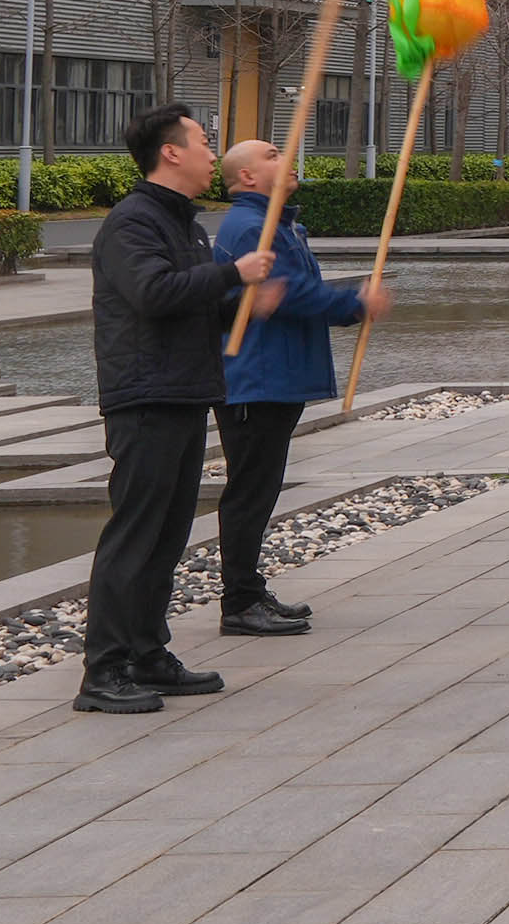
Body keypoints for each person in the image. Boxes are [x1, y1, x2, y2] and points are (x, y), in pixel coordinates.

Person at [80, 100, 282, 714]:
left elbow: (194, 303)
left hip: (186, 391)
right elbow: (152, 293)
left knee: (167, 536)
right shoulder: (133, 222)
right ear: (171, 151)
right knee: (136, 533)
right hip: (145, 396)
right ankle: (104, 670)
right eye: (201, 141)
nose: (211, 152)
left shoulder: (186, 225)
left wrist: (244, 300)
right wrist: (231, 275)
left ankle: (148, 652)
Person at [205, 140, 364, 639]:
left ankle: (249, 589)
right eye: (274, 155)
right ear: (248, 176)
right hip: (255, 379)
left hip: (274, 377)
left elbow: (290, 291)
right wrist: (356, 303)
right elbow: (291, 293)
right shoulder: (253, 226)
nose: (288, 160)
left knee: (261, 486)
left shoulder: (278, 222)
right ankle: (239, 600)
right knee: (250, 490)